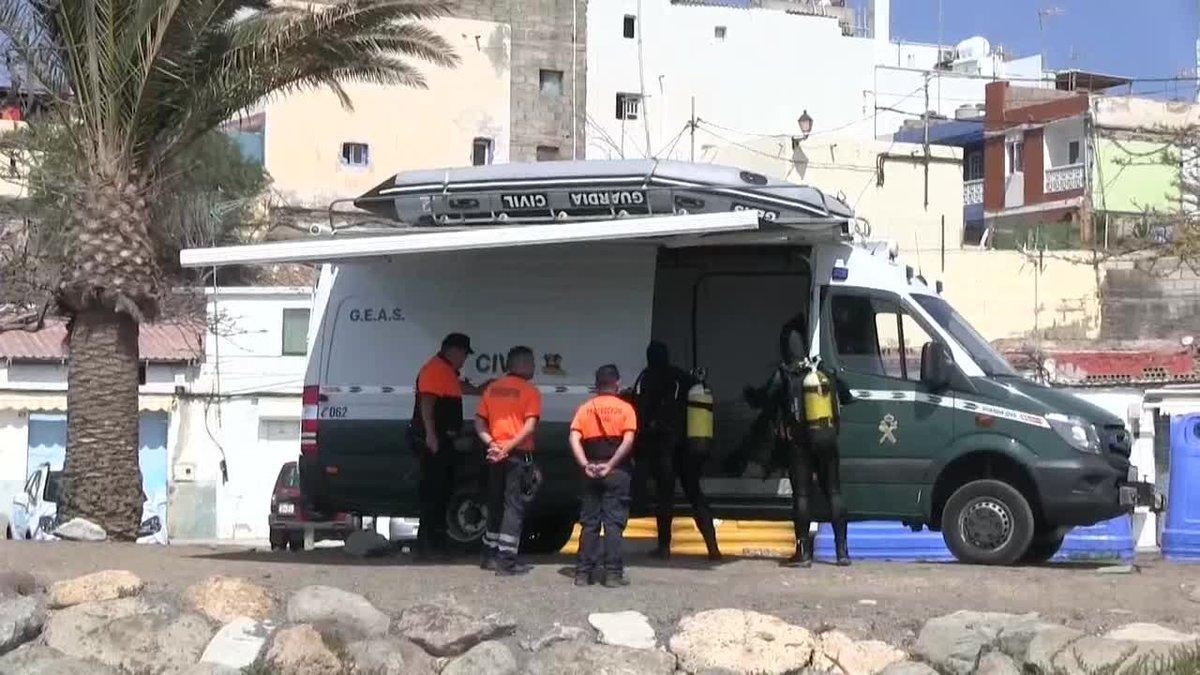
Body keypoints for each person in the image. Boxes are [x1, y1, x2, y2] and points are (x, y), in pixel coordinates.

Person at [633, 341, 720, 560]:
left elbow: (642, 408)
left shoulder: (648, 377)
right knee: (695, 494)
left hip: (663, 446)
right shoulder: (681, 376)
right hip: (688, 446)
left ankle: (664, 547)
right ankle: (713, 548)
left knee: (665, 497)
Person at [775, 326, 850, 567]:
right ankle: (842, 553)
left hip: (800, 443)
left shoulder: (786, 373)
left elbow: (765, 397)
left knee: (802, 495)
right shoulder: (823, 370)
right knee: (834, 492)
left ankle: (804, 553)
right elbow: (847, 394)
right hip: (827, 438)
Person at [475, 346, 542, 576]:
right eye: (531, 362)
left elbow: (479, 423)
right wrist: (507, 447)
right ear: (520, 364)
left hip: (494, 455)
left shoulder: (492, 388)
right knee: (513, 507)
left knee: (495, 504)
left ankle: (489, 556)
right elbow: (529, 426)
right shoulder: (530, 391)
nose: (534, 367)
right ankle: (506, 561)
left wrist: (492, 444)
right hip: (516, 456)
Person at [569, 364, 638, 587]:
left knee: (589, 523)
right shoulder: (626, 409)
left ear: (597, 385)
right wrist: (610, 465)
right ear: (617, 383)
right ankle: (612, 574)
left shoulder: (585, 408)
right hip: (617, 472)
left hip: (590, 471)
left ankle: (582, 573)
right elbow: (628, 441)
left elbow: (573, 438)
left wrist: (585, 464)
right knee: (613, 523)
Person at [412, 332, 475, 558]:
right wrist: (431, 435)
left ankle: (434, 542)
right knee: (433, 491)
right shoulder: (435, 369)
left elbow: (456, 387)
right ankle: (428, 544)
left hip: (443, 441)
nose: (464, 359)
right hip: (434, 441)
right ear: (453, 350)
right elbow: (427, 402)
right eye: (464, 355)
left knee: (442, 490)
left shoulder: (445, 371)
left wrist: (481, 389)